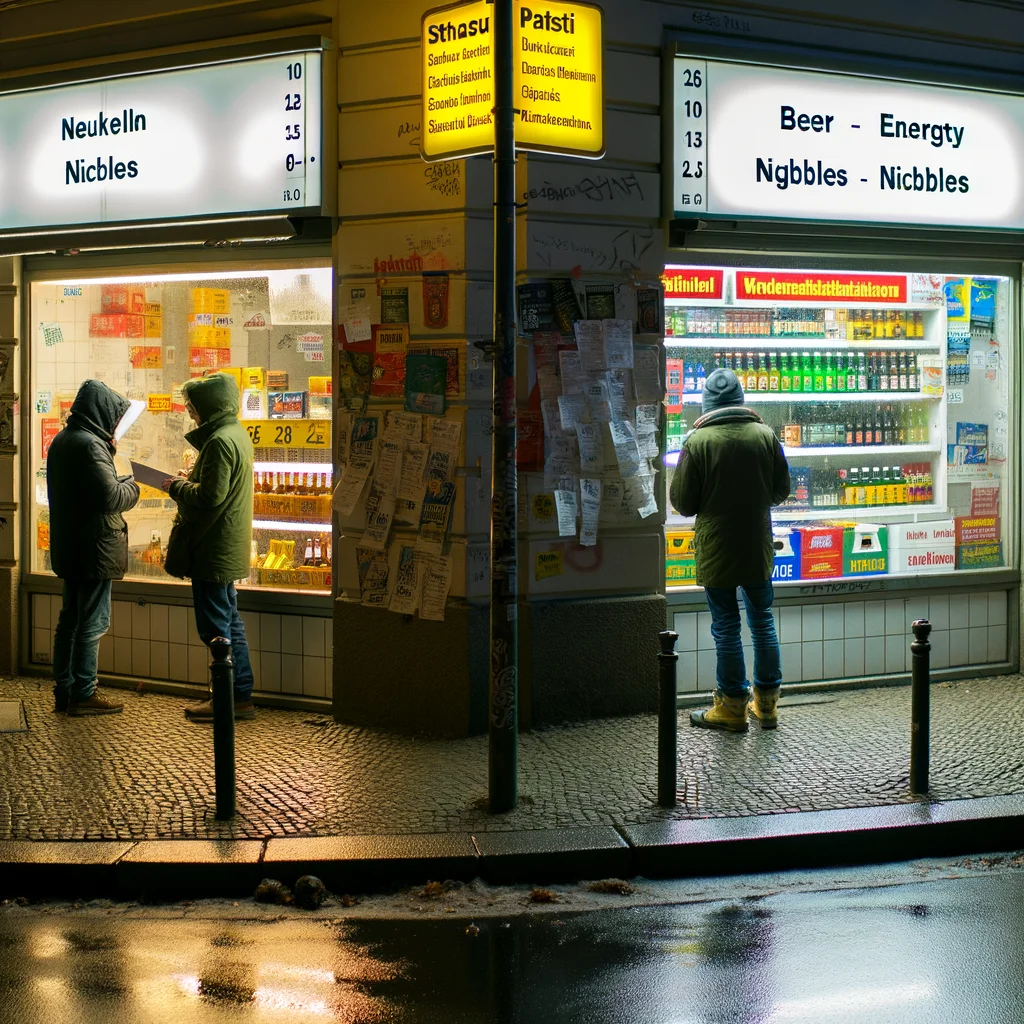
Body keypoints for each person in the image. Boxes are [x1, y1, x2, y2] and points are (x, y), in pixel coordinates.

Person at [670, 368, 790, 732]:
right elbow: (781, 491)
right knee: (762, 621)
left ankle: (732, 706)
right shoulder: (765, 436)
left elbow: (683, 503)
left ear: (707, 403)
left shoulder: (697, 442)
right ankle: (766, 705)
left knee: (725, 626)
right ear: (740, 400)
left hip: (718, 549)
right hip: (756, 545)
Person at [163, 372, 256, 722]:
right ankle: (240, 696)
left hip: (212, 546)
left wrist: (175, 486)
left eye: (194, 407)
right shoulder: (236, 435)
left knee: (217, 629)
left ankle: (229, 700)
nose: (191, 414)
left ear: (209, 405)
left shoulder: (218, 441)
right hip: (225, 544)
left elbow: (210, 496)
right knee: (230, 623)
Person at [47, 380, 140, 716]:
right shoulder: (90, 446)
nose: (116, 425)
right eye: (114, 418)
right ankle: (84, 692)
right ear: (102, 413)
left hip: (72, 546)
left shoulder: (64, 439)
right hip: (94, 548)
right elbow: (110, 497)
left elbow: (87, 489)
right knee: (92, 622)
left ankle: (64, 689)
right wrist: (136, 485)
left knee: (70, 619)